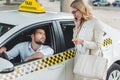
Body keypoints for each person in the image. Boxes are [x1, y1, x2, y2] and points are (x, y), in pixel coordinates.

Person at [70, 0, 104, 80]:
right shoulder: (80, 22)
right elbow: (75, 42)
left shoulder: (95, 22)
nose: (73, 15)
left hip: (89, 61)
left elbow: (98, 45)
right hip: (78, 60)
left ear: (81, 9)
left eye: (74, 12)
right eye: (72, 13)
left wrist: (82, 42)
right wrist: (76, 27)